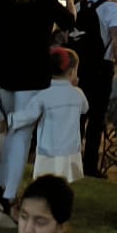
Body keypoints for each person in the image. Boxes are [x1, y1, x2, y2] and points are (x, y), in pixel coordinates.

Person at [0, 0, 76, 223]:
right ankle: (8, 196)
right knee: (21, 133)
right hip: (31, 70)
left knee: (12, 129)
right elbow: (69, 21)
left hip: (4, 68)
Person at [73, 0, 117, 178]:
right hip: (102, 66)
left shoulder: (79, 5)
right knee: (97, 116)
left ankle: (73, 158)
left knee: (79, 115)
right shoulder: (111, 8)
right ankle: (90, 164)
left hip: (80, 66)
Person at [34, 48, 89, 181]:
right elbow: (85, 108)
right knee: (64, 177)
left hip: (47, 145)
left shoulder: (43, 93)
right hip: (68, 147)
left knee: (45, 177)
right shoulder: (77, 94)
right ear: (72, 72)